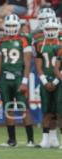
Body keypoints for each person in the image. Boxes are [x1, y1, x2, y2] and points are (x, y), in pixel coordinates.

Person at [0, 14, 34, 147]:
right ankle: (12, 140)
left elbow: (27, 63)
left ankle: (31, 140)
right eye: (8, 26)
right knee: (8, 108)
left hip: (18, 77)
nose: (10, 28)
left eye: (13, 26)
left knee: (23, 108)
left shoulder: (24, 39)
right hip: (4, 78)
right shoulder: (0, 40)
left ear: (18, 27)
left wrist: (25, 81)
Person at [34, 17, 61, 148]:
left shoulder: (61, 43)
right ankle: (45, 139)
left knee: (59, 111)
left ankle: (55, 137)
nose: (51, 31)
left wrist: (56, 81)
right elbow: (38, 65)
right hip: (46, 79)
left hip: (59, 80)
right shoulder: (39, 43)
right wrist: (45, 81)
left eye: (54, 28)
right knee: (47, 110)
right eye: (49, 28)